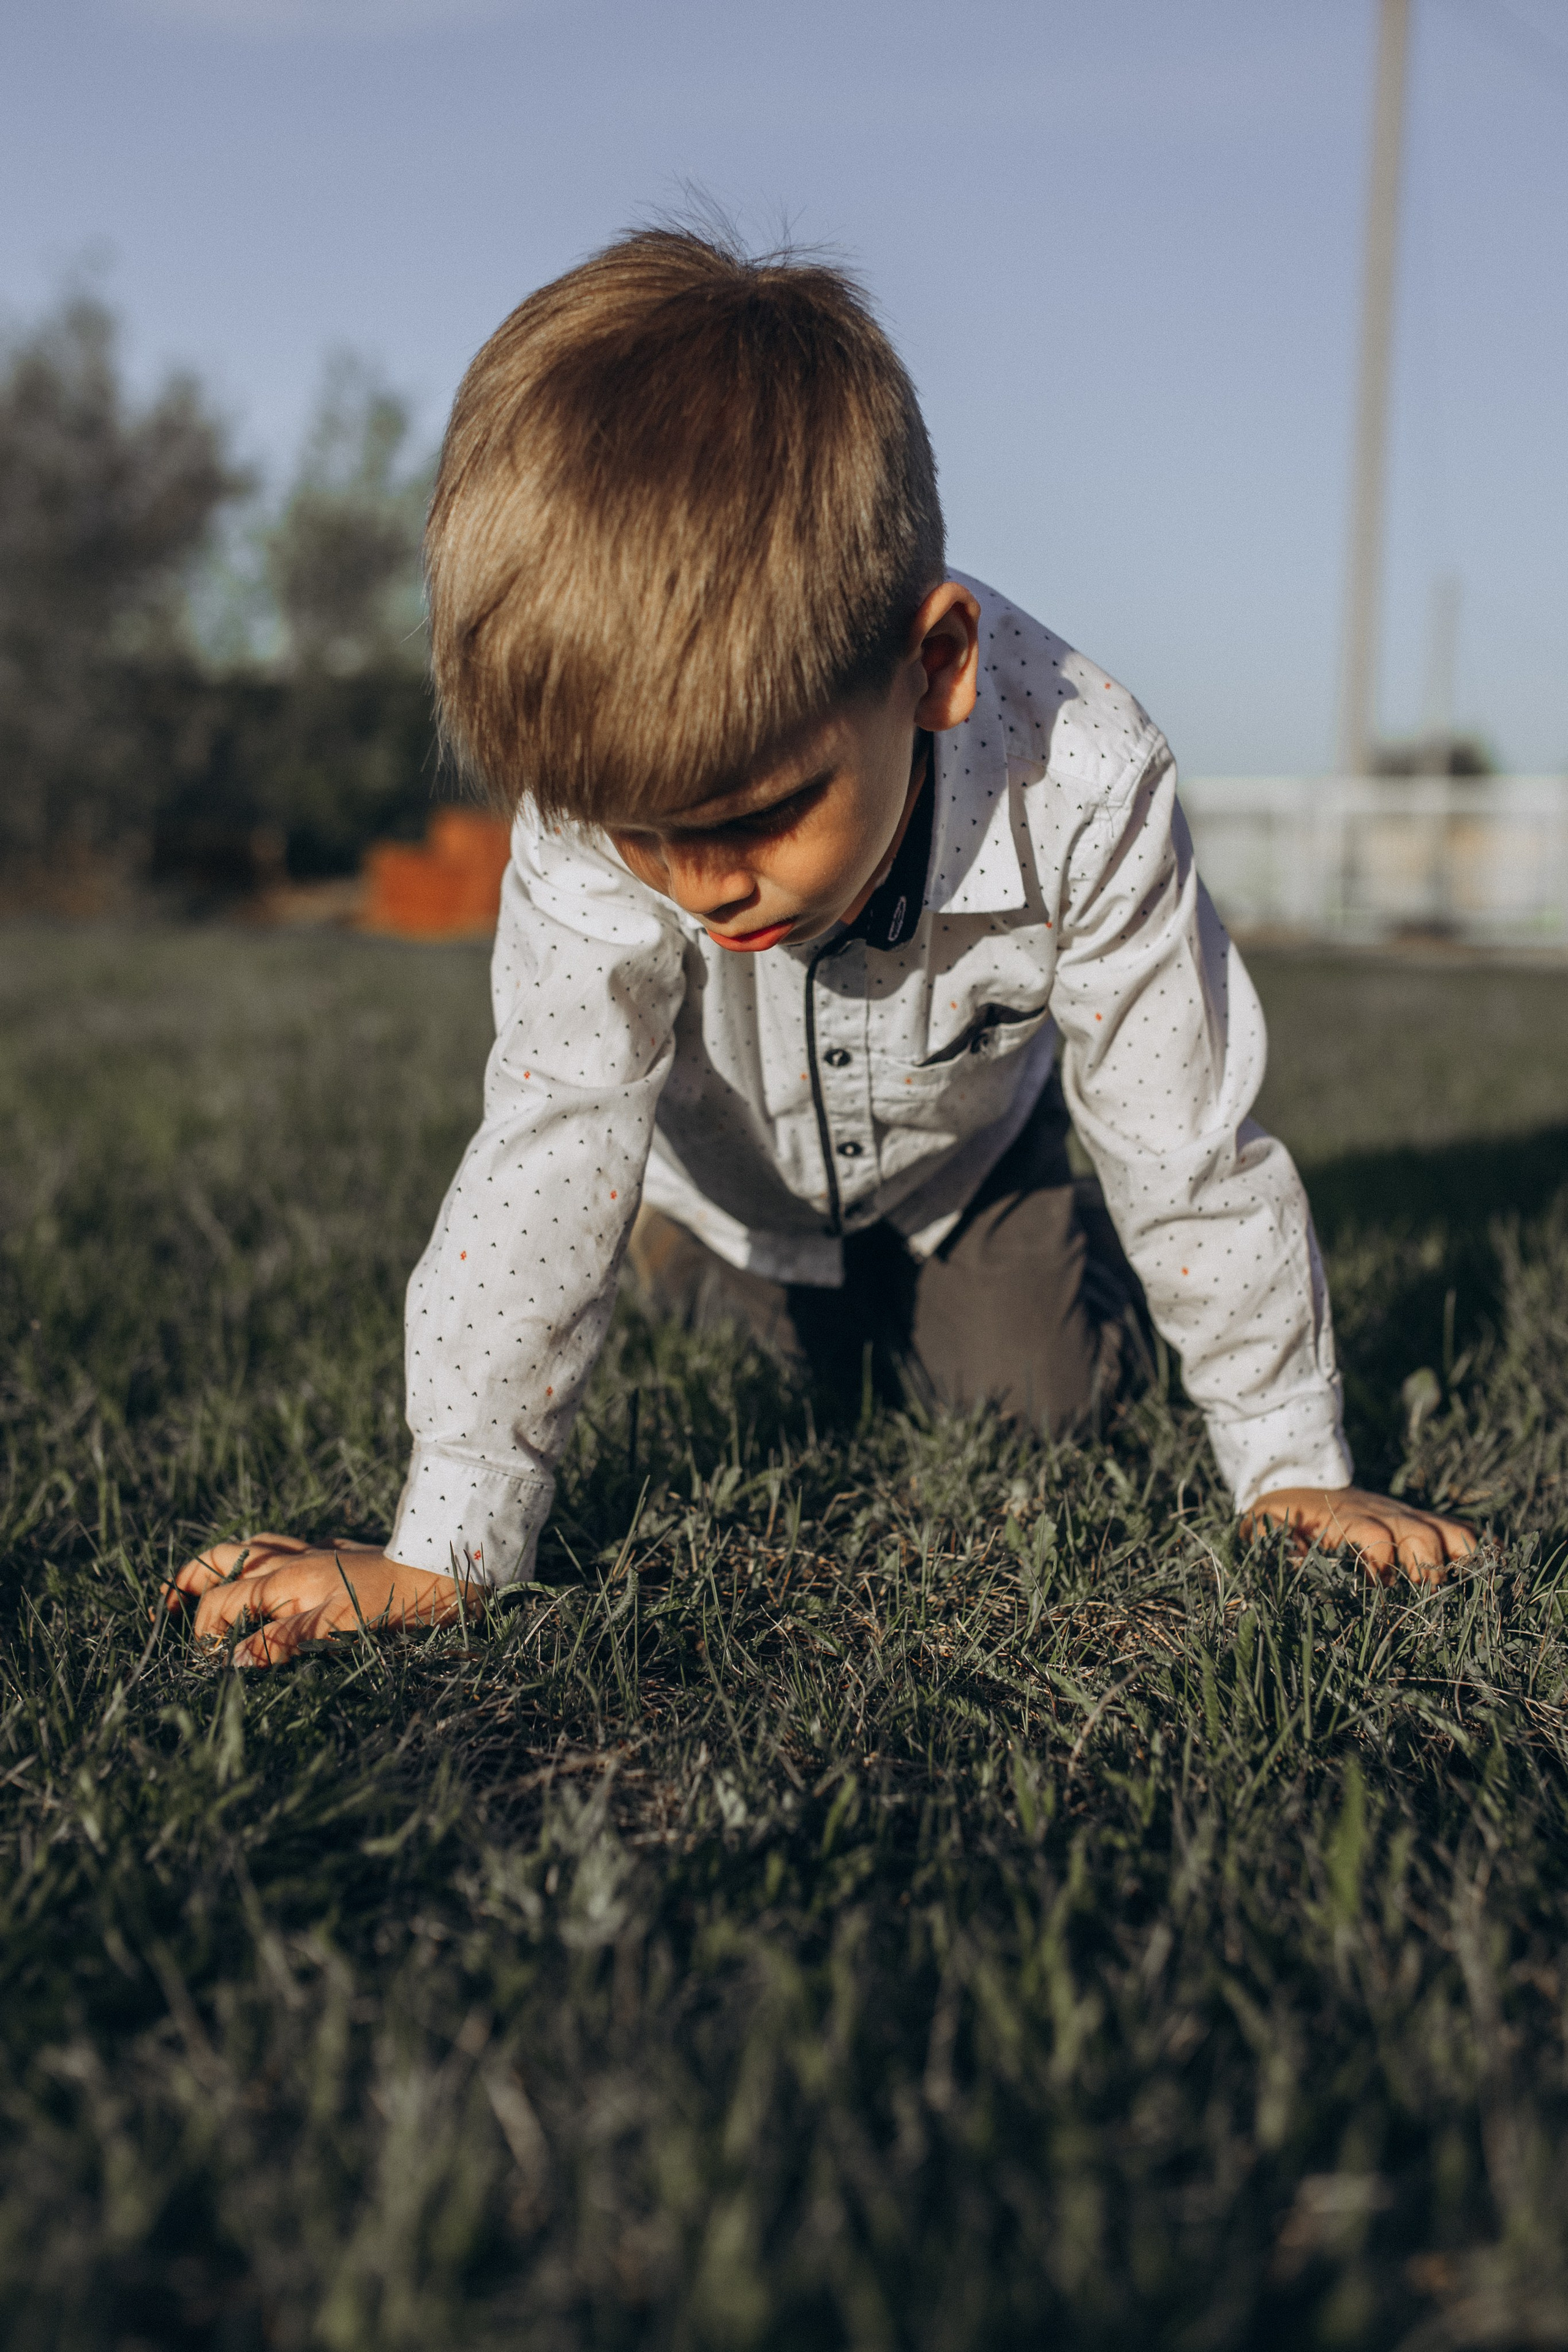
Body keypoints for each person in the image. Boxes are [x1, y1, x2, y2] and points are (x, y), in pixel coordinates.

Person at [165, 228, 1474, 1665]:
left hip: (960, 1173)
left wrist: (1288, 1462)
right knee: (767, 1349)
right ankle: (687, 1252)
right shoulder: (588, 816)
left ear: (933, 662)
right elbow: (552, 1131)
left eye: (763, 812)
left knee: (1032, 1399)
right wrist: (451, 1543)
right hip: (726, 1183)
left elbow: (1183, 1138)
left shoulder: (1085, 781)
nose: (702, 886)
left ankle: (989, 1266)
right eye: (643, 836)